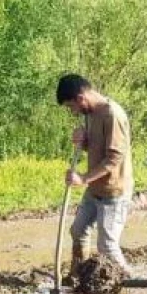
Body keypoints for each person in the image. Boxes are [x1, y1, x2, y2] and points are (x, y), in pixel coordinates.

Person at [55, 73, 135, 280]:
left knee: (107, 245)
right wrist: (83, 140)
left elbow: (114, 158)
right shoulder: (90, 114)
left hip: (113, 192)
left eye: (71, 107)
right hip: (94, 189)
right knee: (78, 231)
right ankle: (79, 277)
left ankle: (129, 282)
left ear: (81, 98)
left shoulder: (112, 114)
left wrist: (83, 179)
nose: (73, 112)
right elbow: (98, 146)